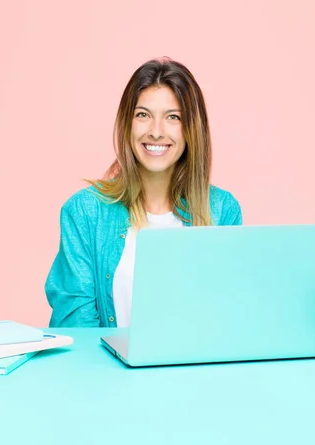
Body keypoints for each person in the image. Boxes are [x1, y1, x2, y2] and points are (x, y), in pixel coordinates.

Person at [45, 57, 243, 328]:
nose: (156, 132)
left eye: (173, 117)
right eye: (143, 115)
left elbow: (228, 319)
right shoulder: (84, 212)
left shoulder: (222, 211)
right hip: (105, 371)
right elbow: (76, 327)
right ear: (127, 123)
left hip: (193, 371)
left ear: (192, 129)